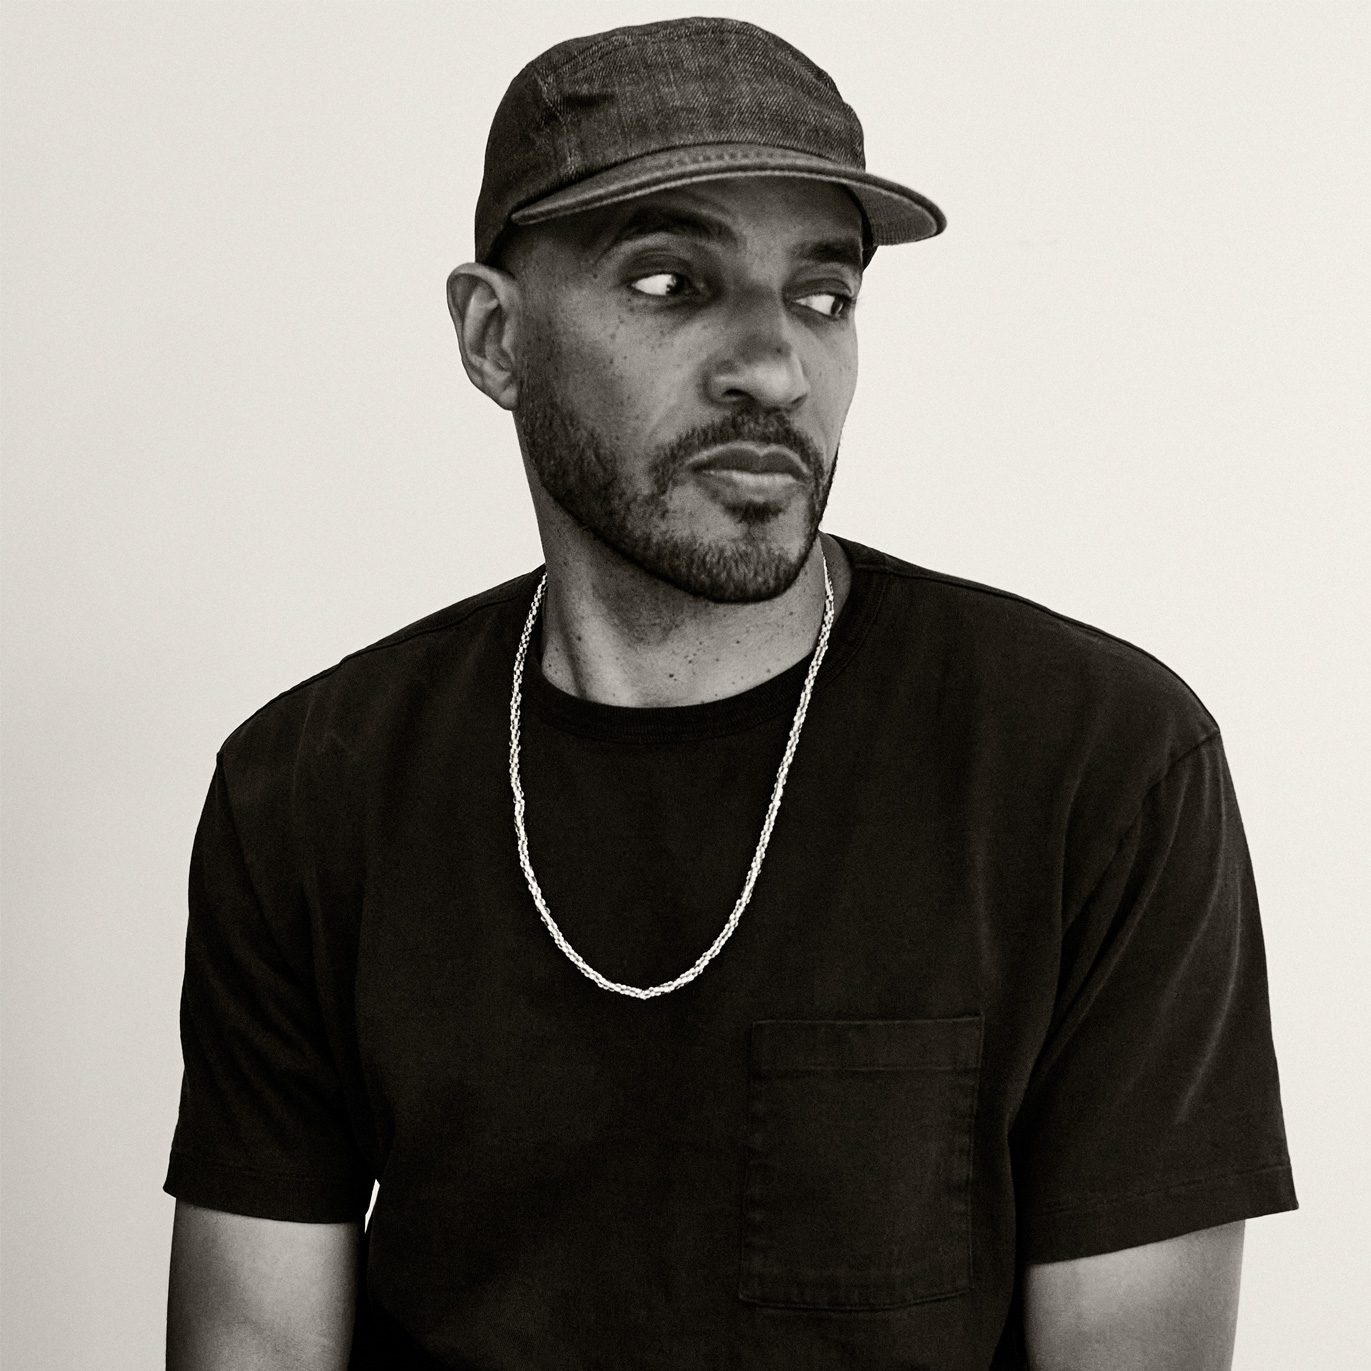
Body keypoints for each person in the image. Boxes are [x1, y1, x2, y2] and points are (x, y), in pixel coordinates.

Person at [164, 16, 1296, 1370]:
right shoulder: (313, 787)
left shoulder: (1094, 766)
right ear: (494, 337)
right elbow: (256, 1347)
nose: (774, 366)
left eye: (823, 295)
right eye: (668, 281)